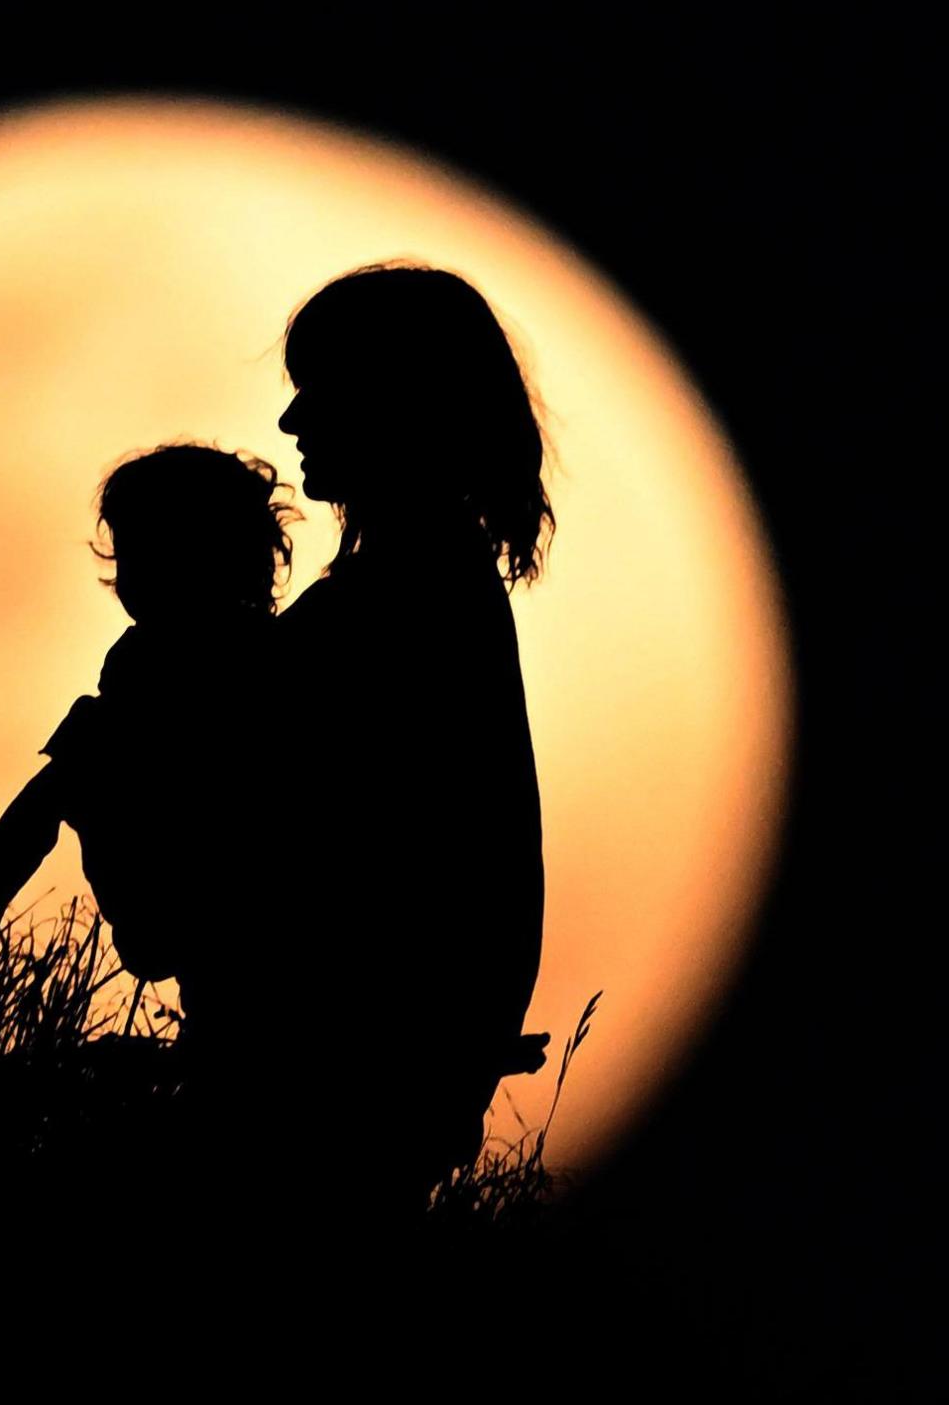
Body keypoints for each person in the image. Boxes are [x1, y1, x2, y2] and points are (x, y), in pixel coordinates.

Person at [222, 262, 558, 1229]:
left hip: (348, 1080)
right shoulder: (431, 590)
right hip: (387, 1066)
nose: (291, 424)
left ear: (396, 404)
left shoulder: (399, 605)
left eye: (316, 393)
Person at [0, 442, 296, 995]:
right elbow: (54, 790)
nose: (139, 574)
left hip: (228, 895)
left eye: (160, 551)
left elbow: (52, 791)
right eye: (131, 553)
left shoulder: (255, 664)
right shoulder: (152, 662)